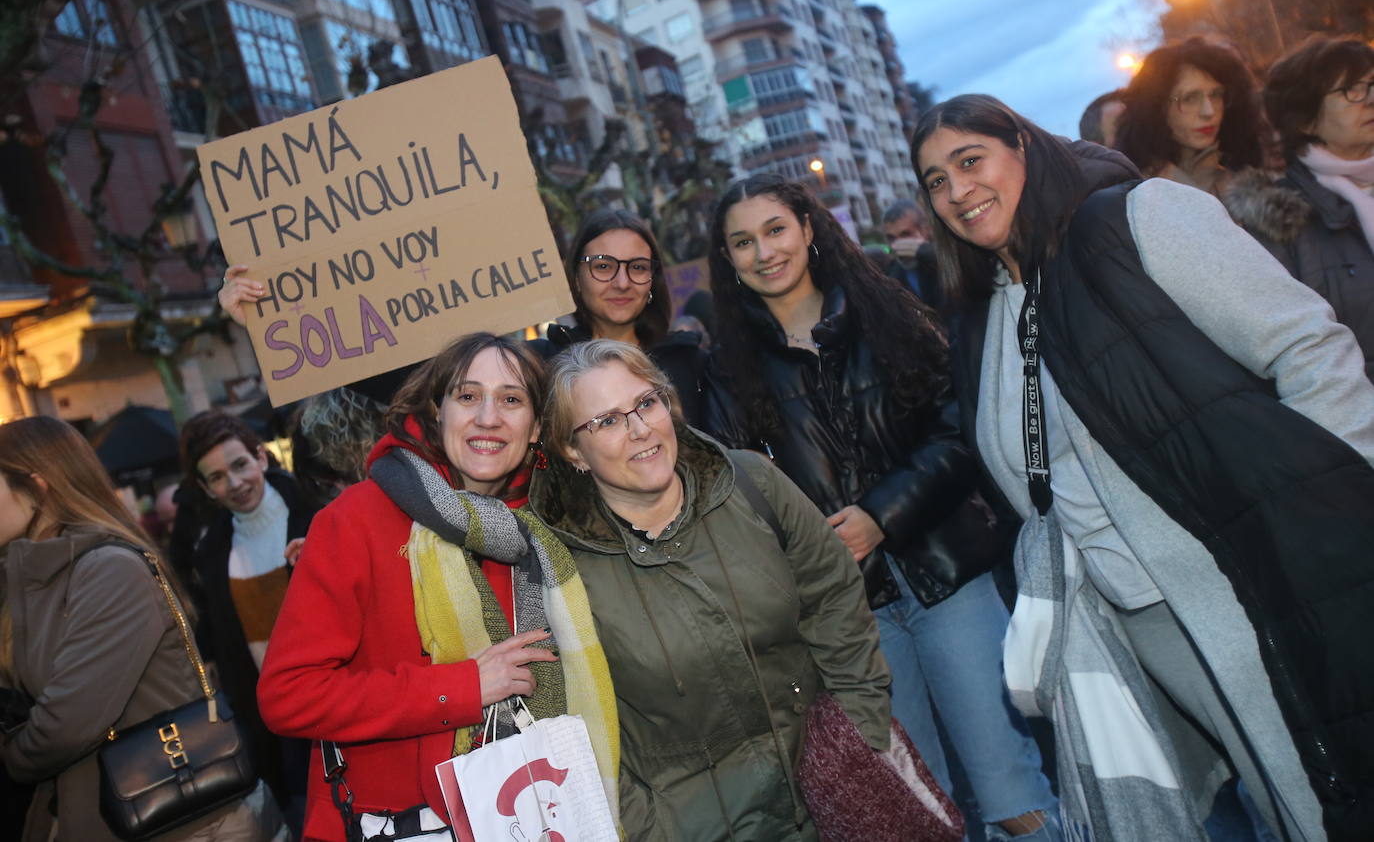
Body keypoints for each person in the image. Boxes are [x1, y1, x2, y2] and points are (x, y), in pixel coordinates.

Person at [911, 92, 1374, 842]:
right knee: (1256, 806)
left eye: (971, 161)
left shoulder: (1137, 217)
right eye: (935, 180)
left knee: (1321, 796)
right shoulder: (986, 310)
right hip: (1138, 622)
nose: (957, 191)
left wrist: (1344, 503)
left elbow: (1307, 349)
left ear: (1025, 148)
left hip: (1256, 578)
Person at [701, 174, 1060, 841]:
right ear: (728, 259)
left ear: (808, 229)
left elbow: (961, 430)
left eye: (776, 229)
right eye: (742, 242)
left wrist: (879, 517)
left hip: (948, 576)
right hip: (847, 618)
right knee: (919, 815)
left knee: (1015, 799)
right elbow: (734, 498)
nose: (764, 251)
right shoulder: (724, 369)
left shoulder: (885, 312)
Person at [256, 333, 618, 842]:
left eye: (511, 400)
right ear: (437, 410)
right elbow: (288, 696)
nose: (488, 418)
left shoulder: (550, 529)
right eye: (468, 396)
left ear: (535, 427)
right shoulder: (358, 519)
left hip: (542, 811)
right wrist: (463, 686)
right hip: (404, 822)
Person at [529, 339, 891, 841]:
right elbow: (577, 726)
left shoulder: (750, 483)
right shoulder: (559, 566)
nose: (639, 430)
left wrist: (859, 738)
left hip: (831, 797)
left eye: (646, 403)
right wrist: (650, 829)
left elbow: (835, 603)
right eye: (607, 421)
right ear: (573, 451)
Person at [0, 416, 283, 841]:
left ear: (38, 487)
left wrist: (9, 754)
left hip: (185, 823)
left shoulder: (107, 569)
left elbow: (63, 726)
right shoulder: (28, 580)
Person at [176, 410, 317, 828]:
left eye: (239, 465)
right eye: (217, 477)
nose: (235, 483)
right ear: (205, 487)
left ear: (261, 457)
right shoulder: (212, 552)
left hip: (342, 704)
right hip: (277, 729)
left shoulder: (316, 512)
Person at [1221, 34, 1374, 380]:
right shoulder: (1279, 220)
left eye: (1372, 84)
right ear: (1304, 119)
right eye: (1352, 90)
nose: (1370, 99)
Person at [534, 208, 707, 424]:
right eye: (603, 266)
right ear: (576, 278)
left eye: (638, 267)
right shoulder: (542, 366)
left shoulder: (692, 364)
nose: (622, 283)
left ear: (653, 280)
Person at [1115, 36, 1270, 195]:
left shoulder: (1255, 188)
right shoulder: (1136, 193)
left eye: (1216, 95)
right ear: (1156, 107)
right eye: (1189, 98)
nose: (1208, 111)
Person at [880, 198, 943, 311]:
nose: (898, 245)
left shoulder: (948, 259)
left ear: (926, 230)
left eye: (906, 234)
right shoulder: (891, 278)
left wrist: (927, 253)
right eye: (891, 238)